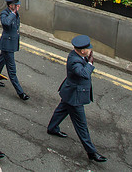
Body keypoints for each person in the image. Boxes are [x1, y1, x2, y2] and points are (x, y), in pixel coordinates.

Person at [46, 34, 107, 162]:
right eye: (89, 49)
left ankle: (52, 128)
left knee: (61, 110)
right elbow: (84, 74)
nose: (91, 50)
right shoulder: (75, 61)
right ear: (83, 51)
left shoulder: (78, 55)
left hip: (70, 93)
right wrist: (90, 63)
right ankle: (91, 152)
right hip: (74, 97)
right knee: (81, 126)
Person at [0, 0, 28, 100]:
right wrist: (13, 13)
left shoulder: (15, 13)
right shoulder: (5, 14)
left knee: (0, 61)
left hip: (10, 43)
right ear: (11, 5)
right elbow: (6, 23)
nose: (18, 6)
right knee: (12, 70)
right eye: (16, 5)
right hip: (7, 45)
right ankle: (20, 93)